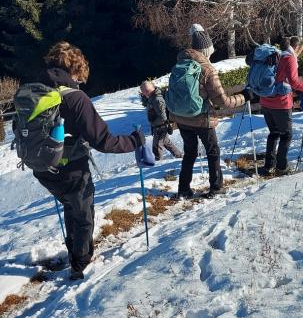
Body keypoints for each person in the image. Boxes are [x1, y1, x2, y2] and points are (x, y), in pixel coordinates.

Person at [31, 42, 145, 280]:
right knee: (83, 215)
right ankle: (80, 263)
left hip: (42, 169)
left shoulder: (34, 92)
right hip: (72, 168)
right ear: (71, 71)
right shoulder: (76, 99)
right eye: (78, 77)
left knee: (69, 205)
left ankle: (73, 249)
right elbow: (104, 141)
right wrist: (134, 141)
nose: (79, 82)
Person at [168, 24, 252, 199]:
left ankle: (184, 189)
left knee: (190, 152)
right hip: (201, 118)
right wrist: (244, 96)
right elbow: (223, 101)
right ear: (206, 51)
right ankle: (216, 187)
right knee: (213, 151)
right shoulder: (207, 70)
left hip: (182, 118)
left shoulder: (180, 64)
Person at [259, 37, 303, 175]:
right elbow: (294, 82)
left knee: (273, 133)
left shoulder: (275, 55)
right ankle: (282, 167)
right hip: (281, 103)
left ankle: (269, 166)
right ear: (297, 47)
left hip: (265, 101)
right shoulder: (289, 58)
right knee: (286, 135)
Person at [140, 80, 182, 161]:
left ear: (147, 91)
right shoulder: (152, 98)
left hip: (161, 126)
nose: (143, 94)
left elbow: (162, 112)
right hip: (157, 126)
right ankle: (180, 156)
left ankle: (157, 162)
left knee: (157, 146)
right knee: (166, 143)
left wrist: (167, 124)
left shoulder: (157, 99)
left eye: (143, 92)